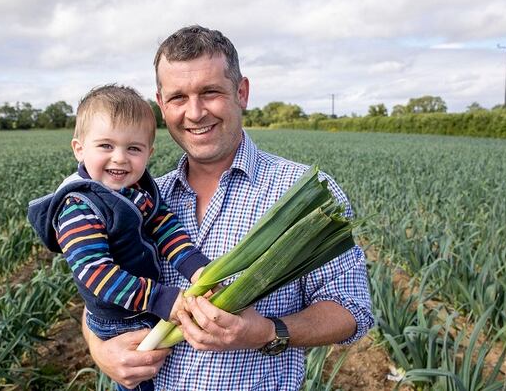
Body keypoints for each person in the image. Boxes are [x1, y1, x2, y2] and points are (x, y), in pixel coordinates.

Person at [82, 26, 374, 390]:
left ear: (242, 92)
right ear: (162, 105)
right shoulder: (139, 197)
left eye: (210, 92)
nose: (195, 112)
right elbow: (96, 284)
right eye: (178, 98)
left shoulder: (304, 195)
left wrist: (267, 332)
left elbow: (351, 310)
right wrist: (99, 349)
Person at [27, 85, 210, 391]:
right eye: (106, 146)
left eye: (134, 149)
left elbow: (164, 227)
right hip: (119, 322)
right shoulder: (79, 208)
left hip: (140, 309)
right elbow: (96, 273)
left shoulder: (135, 190)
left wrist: (196, 266)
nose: (120, 159)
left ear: (149, 154)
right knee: (139, 381)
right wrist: (161, 298)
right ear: (79, 148)